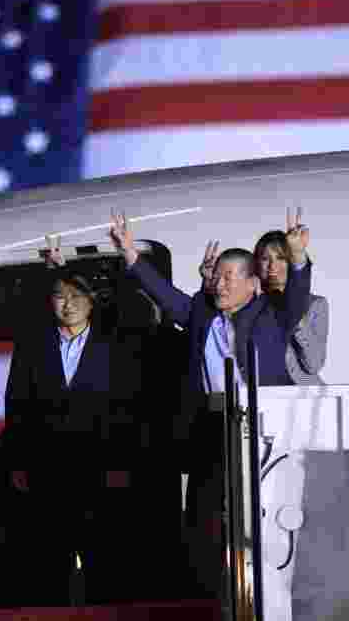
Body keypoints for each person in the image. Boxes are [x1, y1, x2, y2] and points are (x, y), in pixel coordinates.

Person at [108, 210, 313, 599]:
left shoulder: (273, 314)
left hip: (265, 432)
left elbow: (298, 296)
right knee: (204, 523)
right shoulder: (202, 314)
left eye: (229, 277)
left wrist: (298, 257)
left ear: (252, 283)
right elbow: (166, 297)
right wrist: (132, 254)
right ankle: (211, 596)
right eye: (216, 276)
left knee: (264, 523)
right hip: (210, 428)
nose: (219, 284)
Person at [0, 237, 143, 606]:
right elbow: (16, 404)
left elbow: (126, 409)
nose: (69, 304)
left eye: (78, 296)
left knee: (104, 564)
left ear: (92, 300)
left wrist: (121, 463)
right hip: (47, 470)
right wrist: (18, 461)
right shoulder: (34, 344)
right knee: (49, 564)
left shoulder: (113, 344)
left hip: (99, 469)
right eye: (61, 295)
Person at [252, 209, 329, 384]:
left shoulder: (315, 304)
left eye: (280, 258)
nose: (272, 266)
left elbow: (314, 364)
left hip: (302, 396)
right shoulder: (250, 304)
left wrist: (296, 316)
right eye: (265, 258)